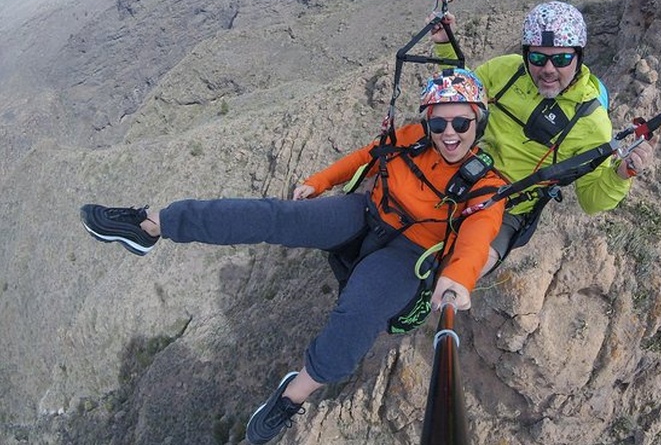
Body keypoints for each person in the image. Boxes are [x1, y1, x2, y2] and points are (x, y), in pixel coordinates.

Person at [79, 68, 506, 445]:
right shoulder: (412, 138)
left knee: (357, 317)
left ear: (477, 122)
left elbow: (478, 232)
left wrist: (459, 278)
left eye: (462, 122)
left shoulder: (486, 183)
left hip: (407, 254)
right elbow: (367, 157)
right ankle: (150, 224)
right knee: (277, 217)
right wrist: (319, 182)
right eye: (439, 122)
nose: (449, 133)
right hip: (365, 214)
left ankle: (291, 395)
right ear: (427, 122)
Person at [429, 0, 656, 273]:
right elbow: (456, 98)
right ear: (526, 55)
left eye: (560, 59)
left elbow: (591, 201)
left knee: (461, 270)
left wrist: (622, 174)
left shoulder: (591, 122)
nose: (548, 69)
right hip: (461, 172)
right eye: (538, 58)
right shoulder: (506, 70)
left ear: (578, 56)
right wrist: (445, 44)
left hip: (507, 207)